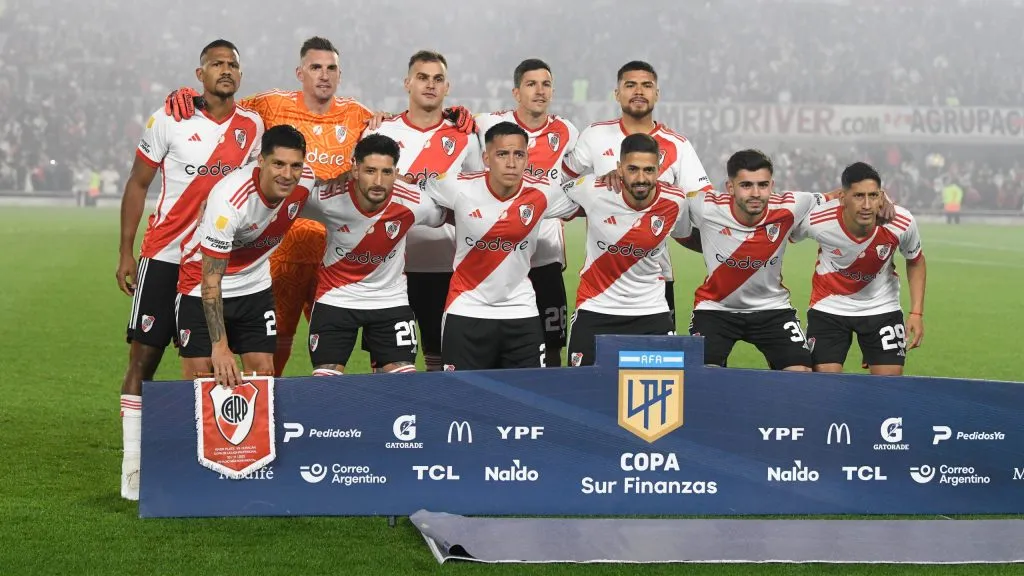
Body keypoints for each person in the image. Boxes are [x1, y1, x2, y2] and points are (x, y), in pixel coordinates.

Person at [163, 37, 375, 376]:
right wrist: (189, 96)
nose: (324, 75)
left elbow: (399, 136)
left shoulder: (360, 116)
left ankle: (335, 416)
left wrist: (456, 115)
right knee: (273, 352)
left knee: (336, 345)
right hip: (277, 252)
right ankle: (257, 417)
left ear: (340, 73)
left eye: (331, 68)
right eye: (315, 67)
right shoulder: (270, 105)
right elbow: (221, 106)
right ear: (300, 72)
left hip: (335, 252)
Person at [114, 39, 263, 501]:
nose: (225, 70)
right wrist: (125, 252)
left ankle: (221, 460)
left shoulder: (254, 126)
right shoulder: (168, 119)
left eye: (232, 65)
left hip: (220, 265)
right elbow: (138, 183)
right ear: (199, 74)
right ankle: (134, 468)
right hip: (164, 257)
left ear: (240, 74)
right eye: (216, 64)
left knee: (217, 364)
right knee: (144, 359)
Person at [562, 60, 713, 330]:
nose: (639, 91)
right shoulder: (595, 135)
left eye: (647, 85)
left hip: (655, 281)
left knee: (656, 370)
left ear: (657, 93)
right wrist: (594, 188)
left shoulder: (678, 145)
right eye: (630, 85)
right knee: (592, 371)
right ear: (617, 93)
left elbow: (701, 205)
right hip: (601, 281)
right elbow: (563, 184)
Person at [420, 122, 579, 370]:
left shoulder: (544, 191)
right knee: (462, 400)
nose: (511, 162)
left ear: (527, 157)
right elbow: (411, 189)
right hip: (466, 310)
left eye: (519, 154)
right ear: (486, 158)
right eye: (502, 154)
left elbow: (592, 202)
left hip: (521, 312)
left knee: (526, 401)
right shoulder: (458, 186)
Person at [362, 50, 479, 372]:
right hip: (389, 265)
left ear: (447, 87)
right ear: (407, 83)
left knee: (439, 360)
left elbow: (478, 193)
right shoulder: (380, 133)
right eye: (423, 77)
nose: (430, 85)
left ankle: (435, 422)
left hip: (446, 264)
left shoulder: (466, 138)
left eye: (438, 79)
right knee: (386, 361)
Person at [175, 125, 316, 388]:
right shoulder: (230, 201)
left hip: (254, 288)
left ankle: (259, 431)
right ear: (261, 160)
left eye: (295, 166)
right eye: (278, 164)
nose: (287, 175)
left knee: (263, 375)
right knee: (200, 382)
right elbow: (210, 281)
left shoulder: (305, 181)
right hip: (201, 287)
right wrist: (221, 347)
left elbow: (334, 196)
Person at [301, 134, 448, 375]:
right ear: (355, 170)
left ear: (396, 172)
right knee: (325, 385)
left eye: (386, 172)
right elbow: (282, 202)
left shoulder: (415, 203)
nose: (379, 181)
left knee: (406, 383)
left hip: (390, 300)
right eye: (370, 171)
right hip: (336, 298)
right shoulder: (328, 199)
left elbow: (451, 215)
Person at [472, 58, 579, 367]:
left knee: (553, 345)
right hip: (496, 253)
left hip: (544, 255)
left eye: (546, 84)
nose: (539, 91)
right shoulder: (486, 125)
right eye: (531, 84)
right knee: (493, 345)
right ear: (516, 92)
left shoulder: (567, 131)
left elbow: (581, 179)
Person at [686, 149, 830, 371]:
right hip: (716, 308)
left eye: (763, 185)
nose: (755, 193)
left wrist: (883, 198)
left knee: (801, 374)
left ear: (771, 186)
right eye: (746, 185)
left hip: (772, 309)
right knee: (703, 373)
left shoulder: (791, 206)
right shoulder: (705, 206)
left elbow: (841, 196)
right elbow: (661, 197)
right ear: (730, 187)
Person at [565, 134, 691, 366]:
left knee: (662, 398)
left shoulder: (676, 200)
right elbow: (553, 195)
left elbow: (682, 232)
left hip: (651, 312)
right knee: (580, 392)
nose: (641, 178)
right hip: (596, 309)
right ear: (619, 168)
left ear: (659, 169)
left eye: (649, 170)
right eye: (632, 169)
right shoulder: (593, 188)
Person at [791, 162, 926, 376]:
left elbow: (916, 260)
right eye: (858, 196)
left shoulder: (901, 221)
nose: (866, 205)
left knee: (888, 386)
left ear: (882, 196)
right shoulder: (818, 220)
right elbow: (786, 232)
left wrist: (916, 312)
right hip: (829, 306)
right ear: (843, 197)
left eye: (873, 196)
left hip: (882, 307)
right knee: (825, 385)